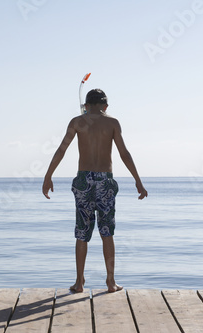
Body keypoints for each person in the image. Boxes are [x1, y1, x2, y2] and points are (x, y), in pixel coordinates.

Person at [42, 89, 147, 293]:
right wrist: (138, 181)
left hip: (84, 180)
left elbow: (61, 150)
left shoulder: (77, 122)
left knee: (82, 233)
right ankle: (110, 282)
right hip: (105, 180)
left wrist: (48, 176)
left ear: (86, 105)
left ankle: (79, 282)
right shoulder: (113, 123)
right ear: (106, 106)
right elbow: (124, 153)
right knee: (107, 232)